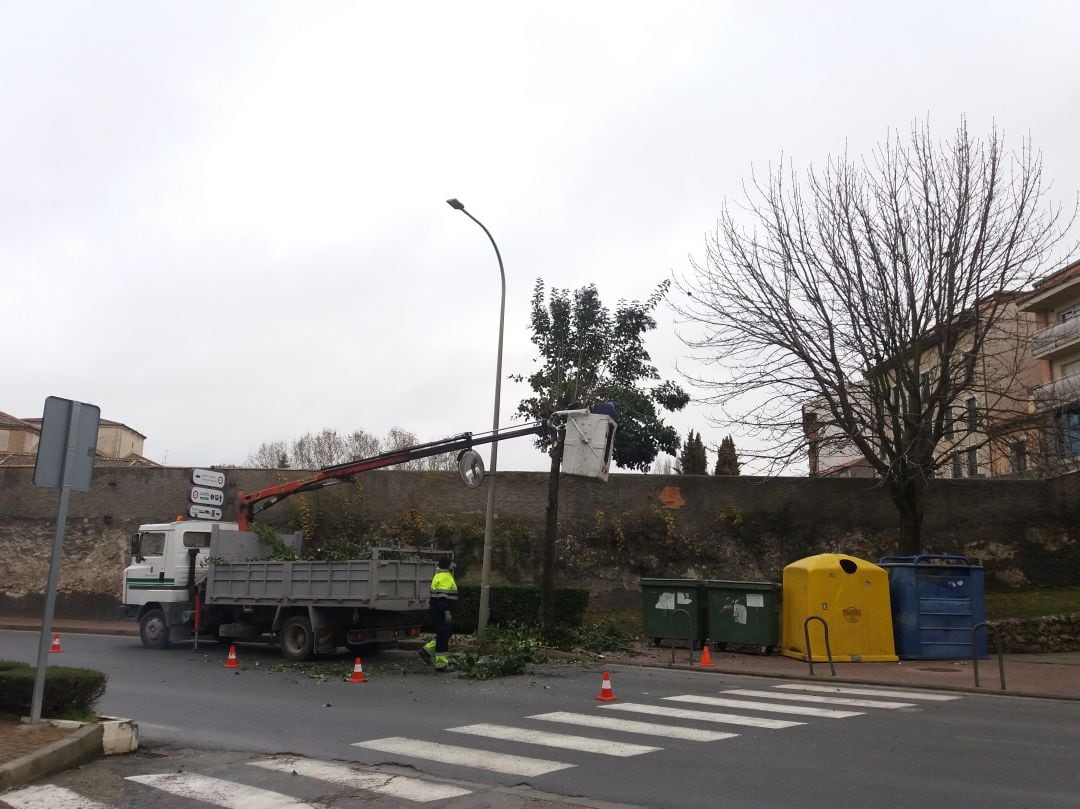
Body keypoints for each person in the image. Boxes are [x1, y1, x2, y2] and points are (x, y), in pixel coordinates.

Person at [420, 557, 457, 672]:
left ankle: (427, 650)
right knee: (443, 636)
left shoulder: (438, 575)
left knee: (444, 634)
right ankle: (441, 664)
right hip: (441, 611)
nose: (453, 565)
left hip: (436, 610)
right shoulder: (445, 577)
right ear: (448, 565)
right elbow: (442, 598)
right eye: (452, 563)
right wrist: (447, 612)